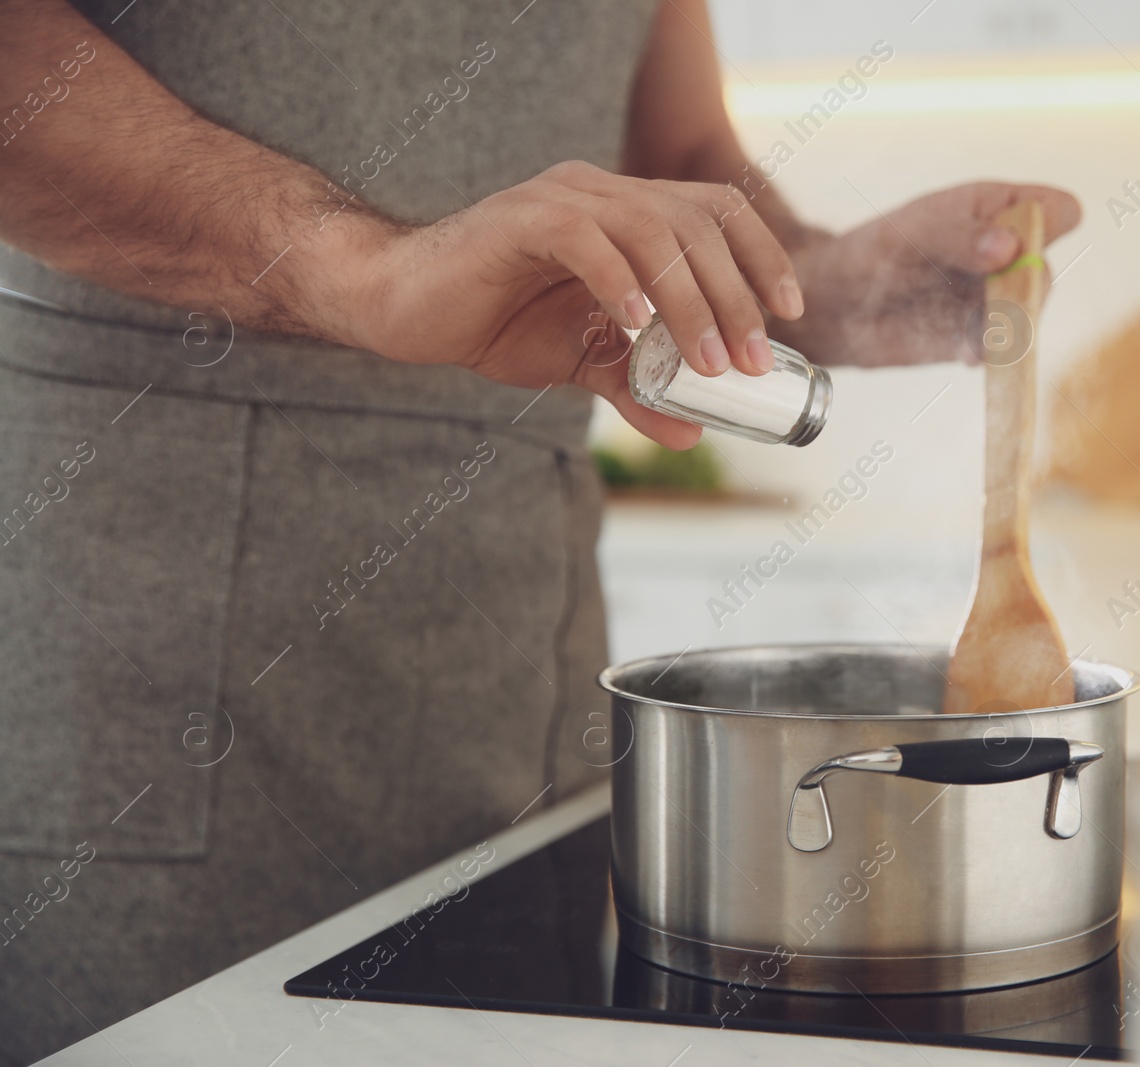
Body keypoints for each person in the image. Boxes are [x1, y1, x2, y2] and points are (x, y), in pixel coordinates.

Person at [0, 0, 1080, 1059]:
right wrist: (362, 270)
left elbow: (681, 145)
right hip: (158, 641)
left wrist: (829, 284)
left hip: (521, 642)